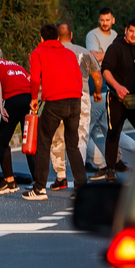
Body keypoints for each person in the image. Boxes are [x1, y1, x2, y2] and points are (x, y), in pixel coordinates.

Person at [23, 24, 86, 201]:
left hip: (55, 101)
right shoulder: (69, 53)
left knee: (44, 143)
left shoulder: (38, 52)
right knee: (72, 144)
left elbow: (35, 78)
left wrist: (34, 99)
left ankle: (39, 189)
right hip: (75, 99)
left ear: (41, 38)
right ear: (58, 38)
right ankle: (81, 186)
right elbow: (78, 78)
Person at [49, 23, 102, 190]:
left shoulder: (51, 52)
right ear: (71, 35)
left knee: (57, 138)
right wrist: (98, 92)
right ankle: (79, 180)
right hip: (81, 96)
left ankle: (61, 178)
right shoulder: (85, 53)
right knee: (80, 137)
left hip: (57, 96)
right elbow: (97, 76)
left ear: (56, 36)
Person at [85, 7, 135, 177]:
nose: (104, 23)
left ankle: (106, 164)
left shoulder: (115, 36)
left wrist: (106, 56)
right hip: (98, 87)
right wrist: (115, 55)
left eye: (107, 20)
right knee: (104, 129)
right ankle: (108, 163)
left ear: (113, 20)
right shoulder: (92, 35)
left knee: (92, 130)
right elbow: (93, 56)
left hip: (111, 89)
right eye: (102, 20)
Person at [102, 18, 135, 182]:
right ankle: (110, 169)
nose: (133, 35)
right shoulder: (115, 48)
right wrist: (117, 87)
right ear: (126, 30)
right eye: (131, 31)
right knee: (113, 133)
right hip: (118, 99)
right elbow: (106, 71)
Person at [0, 46, 35, 194]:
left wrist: (0, 104)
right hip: (28, 99)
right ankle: (38, 181)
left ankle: (9, 181)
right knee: (29, 141)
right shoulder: (17, 66)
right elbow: (31, 80)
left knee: (1, 140)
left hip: (12, 99)